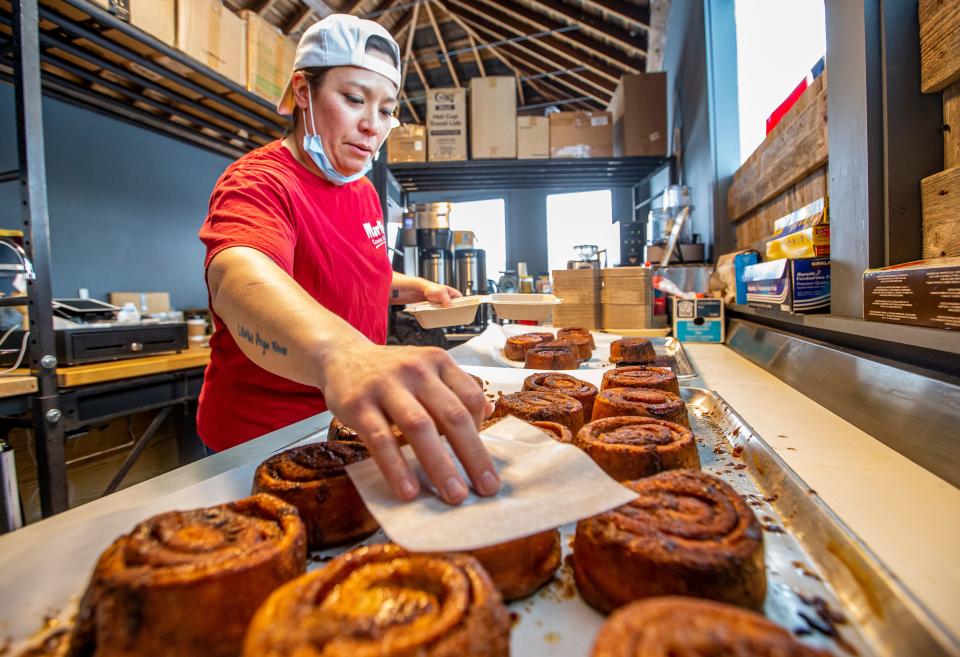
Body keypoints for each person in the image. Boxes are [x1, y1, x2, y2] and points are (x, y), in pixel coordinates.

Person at [197, 14, 498, 505]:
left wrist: (416, 288)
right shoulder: (260, 182)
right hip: (260, 439)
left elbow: (357, 276)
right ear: (302, 91)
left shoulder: (360, 193)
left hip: (347, 424)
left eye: (386, 110)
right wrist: (344, 354)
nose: (371, 126)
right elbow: (237, 278)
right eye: (354, 99)